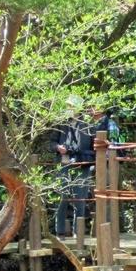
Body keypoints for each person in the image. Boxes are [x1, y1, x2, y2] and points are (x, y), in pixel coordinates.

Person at [51, 94, 88, 237]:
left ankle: (78, 233)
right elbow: (51, 143)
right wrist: (58, 147)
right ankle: (59, 231)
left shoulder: (86, 124)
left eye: (71, 106)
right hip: (63, 163)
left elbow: (88, 146)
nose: (69, 109)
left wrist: (72, 149)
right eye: (68, 106)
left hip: (81, 164)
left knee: (80, 199)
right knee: (62, 197)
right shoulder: (61, 123)